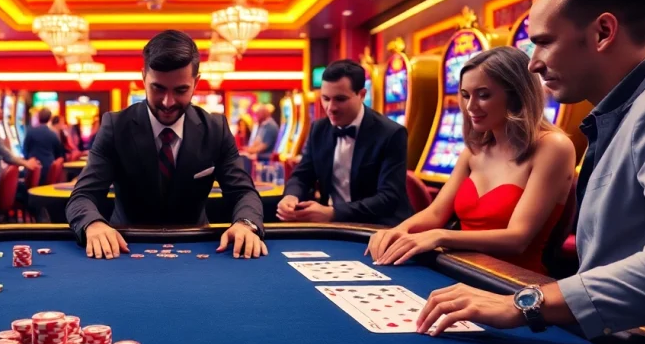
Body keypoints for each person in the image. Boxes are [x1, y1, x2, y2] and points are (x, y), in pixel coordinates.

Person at [414, 0, 645, 338]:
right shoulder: (623, 110)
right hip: (624, 339)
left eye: (545, 42)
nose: (533, 63)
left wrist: (524, 303)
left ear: (603, 32)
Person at [367, 47, 575, 273]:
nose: (470, 107)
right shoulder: (475, 150)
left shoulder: (553, 147)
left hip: (512, 282)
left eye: (483, 95)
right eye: (466, 95)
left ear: (517, 95)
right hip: (462, 268)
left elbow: (518, 238)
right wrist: (399, 230)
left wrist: (441, 236)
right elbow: (436, 213)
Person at [66, 30, 266, 259]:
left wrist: (245, 223)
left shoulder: (216, 128)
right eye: (158, 88)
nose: (168, 102)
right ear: (143, 78)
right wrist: (93, 224)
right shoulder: (115, 126)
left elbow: (243, 193)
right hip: (124, 248)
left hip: (198, 247)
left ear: (195, 83)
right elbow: (82, 196)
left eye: (180, 90)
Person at [277, 60, 412, 227]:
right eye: (325, 98)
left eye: (340, 99)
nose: (330, 107)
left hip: (380, 226)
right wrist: (291, 196)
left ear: (362, 95)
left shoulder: (391, 133)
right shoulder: (318, 129)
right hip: (333, 225)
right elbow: (302, 175)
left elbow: (388, 198)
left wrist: (333, 212)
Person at [23, 108, 65, 185]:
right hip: (49, 170)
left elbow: (25, 151)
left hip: (32, 168)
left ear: (38, 117)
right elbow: (58, 154)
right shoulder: (53, 134)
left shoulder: (30, 132)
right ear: (49, 119)